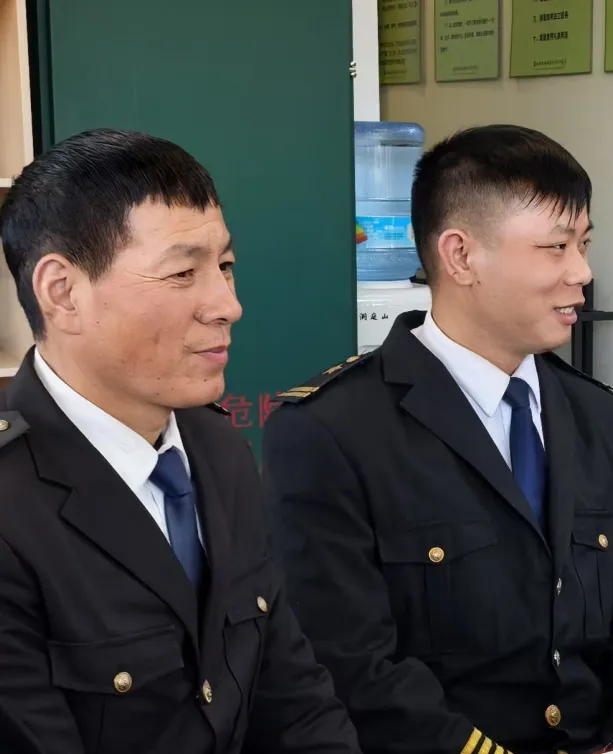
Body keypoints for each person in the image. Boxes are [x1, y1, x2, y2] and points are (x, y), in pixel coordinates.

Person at [262, 124, 613, 754]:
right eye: (555, 247)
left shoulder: (593, 413)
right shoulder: (331, 431)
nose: (582, 271)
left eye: (583, 243)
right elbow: (351, 668)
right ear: (460, 256)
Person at [0, 129, 361, 753]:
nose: (227, 305)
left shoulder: (219, 450)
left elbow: (295, 699)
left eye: (225, 267)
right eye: (183, 273)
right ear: (62, 293)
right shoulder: (12, 508)